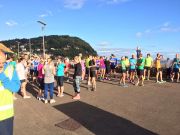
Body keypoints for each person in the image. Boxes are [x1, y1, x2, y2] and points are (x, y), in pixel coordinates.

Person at [0, 51, 20, 135]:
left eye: (3, 62)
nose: (1, 65)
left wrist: (2, 76)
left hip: (5, 116)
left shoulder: (10, 69)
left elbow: (16, 88)